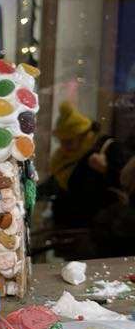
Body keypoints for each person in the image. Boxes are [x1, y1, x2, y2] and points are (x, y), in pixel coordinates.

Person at [43, 101, 126, 240]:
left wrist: (106, 169)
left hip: (98, 234)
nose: (63, 147)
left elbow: (126, 182)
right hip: (69, 232)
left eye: (69, 141)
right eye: (61, 141)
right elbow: (57, 185)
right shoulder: (63, 158)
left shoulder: (109, 149)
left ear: (84, 135)